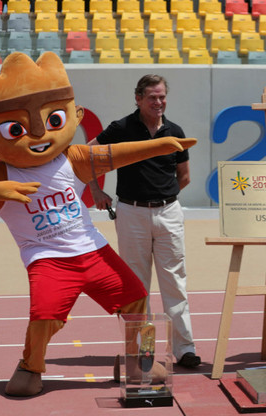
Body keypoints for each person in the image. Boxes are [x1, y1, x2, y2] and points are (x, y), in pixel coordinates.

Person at [88, 74, 200, 368]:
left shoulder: (175, 131)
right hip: (131, 213)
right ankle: (142, 349)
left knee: (175, 282)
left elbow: (184, 176)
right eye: (152, 97)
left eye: (162, 96)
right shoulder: (121, 128)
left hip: (169, 213)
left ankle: (184, 348)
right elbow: (85, 155)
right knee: (137, 286)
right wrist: (96, 189)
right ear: (138, 99)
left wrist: (162, 198)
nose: (158, 102)